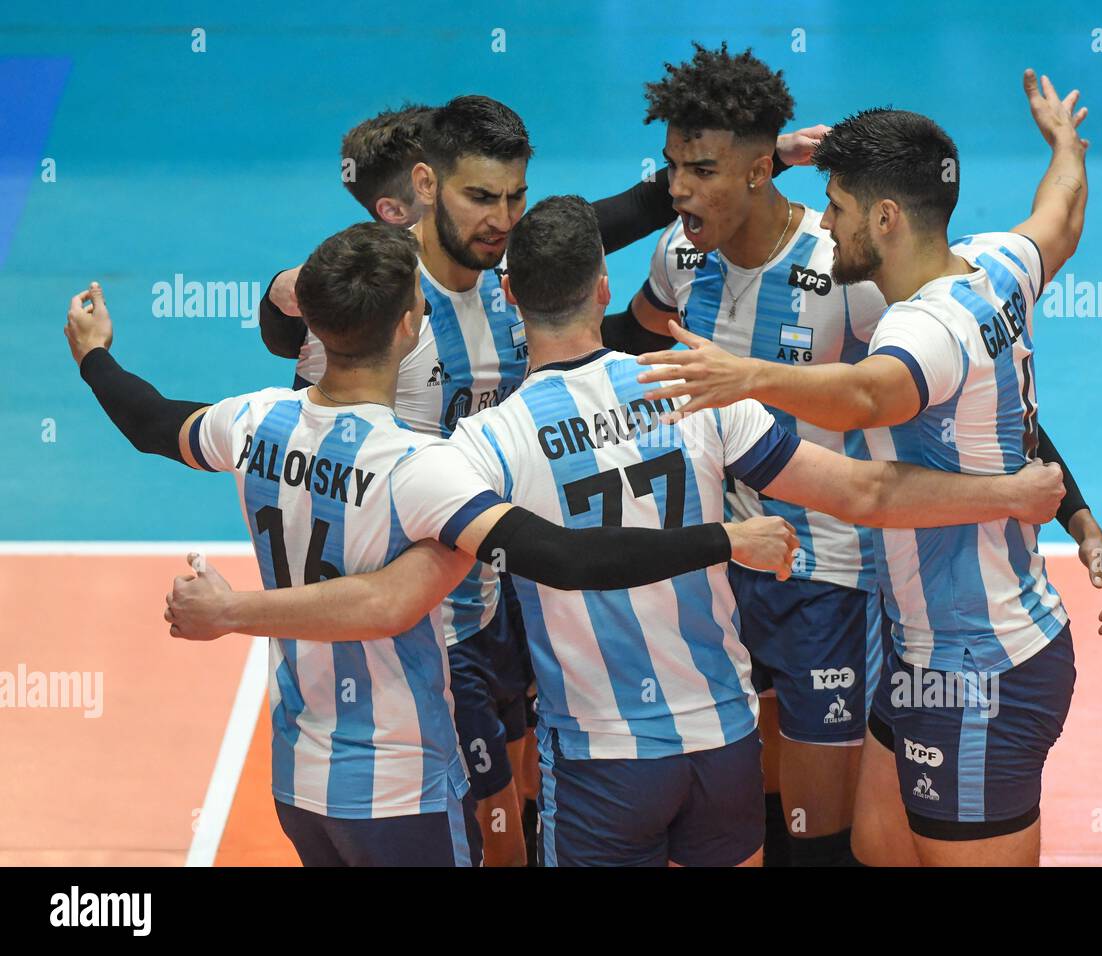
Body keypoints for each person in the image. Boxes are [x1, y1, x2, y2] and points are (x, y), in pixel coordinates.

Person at [165, 198, 1065, 866]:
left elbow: (400, 596)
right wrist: (1010, 495)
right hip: (721, 742)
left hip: (600, 761)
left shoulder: (483, 445)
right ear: (605, 288)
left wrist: (237, 609)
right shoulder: (694, 388)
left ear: (509, 296)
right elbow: (865, 493)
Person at [63, 221, 797, 867]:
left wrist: (94, 356)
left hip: (301, 778)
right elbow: (567, 560)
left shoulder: (251, 422)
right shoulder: (421, 469)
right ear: (411, 329)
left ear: (314, 330)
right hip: (399, 782)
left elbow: (151, 422)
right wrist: (724, 538)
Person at [634, 71, 1102, 865]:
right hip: (921, 651)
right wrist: (1065, 143)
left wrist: (747, 377)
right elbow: (1061, 213)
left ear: (887, 218)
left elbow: (866, 404)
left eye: (835, 209)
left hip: (980, 668)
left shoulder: (926, 331)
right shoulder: (1000, 263)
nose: (823, 225)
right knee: (875, 850)